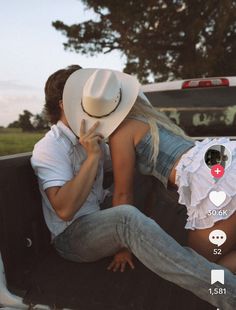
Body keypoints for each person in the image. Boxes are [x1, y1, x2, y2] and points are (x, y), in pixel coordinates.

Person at [31, 65, 236, 310]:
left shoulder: (99, 138)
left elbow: (130, 172)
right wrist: (93, 157)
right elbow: (64, 210)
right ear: (67, 104)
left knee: (197, 262)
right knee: (128, 220)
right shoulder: (50, 147)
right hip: (72, 237)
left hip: (104, 221)